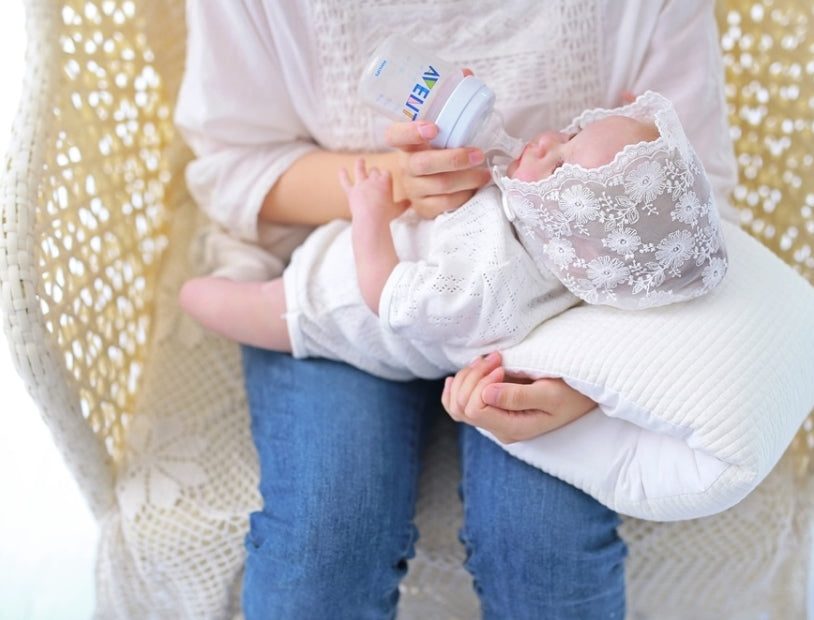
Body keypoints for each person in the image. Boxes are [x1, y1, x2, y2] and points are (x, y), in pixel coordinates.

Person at [174, 2, 738, 618]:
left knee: (546, 552)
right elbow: (233, 166)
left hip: (562, 324)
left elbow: (687, 223)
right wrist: (394, 185)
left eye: (570, 144)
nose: (548, 139)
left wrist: (593, 386)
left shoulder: (501, 278)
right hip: (326, 262)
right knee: (324, 547)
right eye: (570, 131)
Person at [178, 92, 728, 384]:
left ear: (582, 245)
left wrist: (370, 216)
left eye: (560, 162)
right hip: (357, 242)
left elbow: (388, 297)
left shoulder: (493, 288)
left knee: (203, 298)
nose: (545, 141)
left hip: (330, 302)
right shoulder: (560, 236)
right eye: (572, 133)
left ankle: (236, 271)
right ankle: (245, 259)